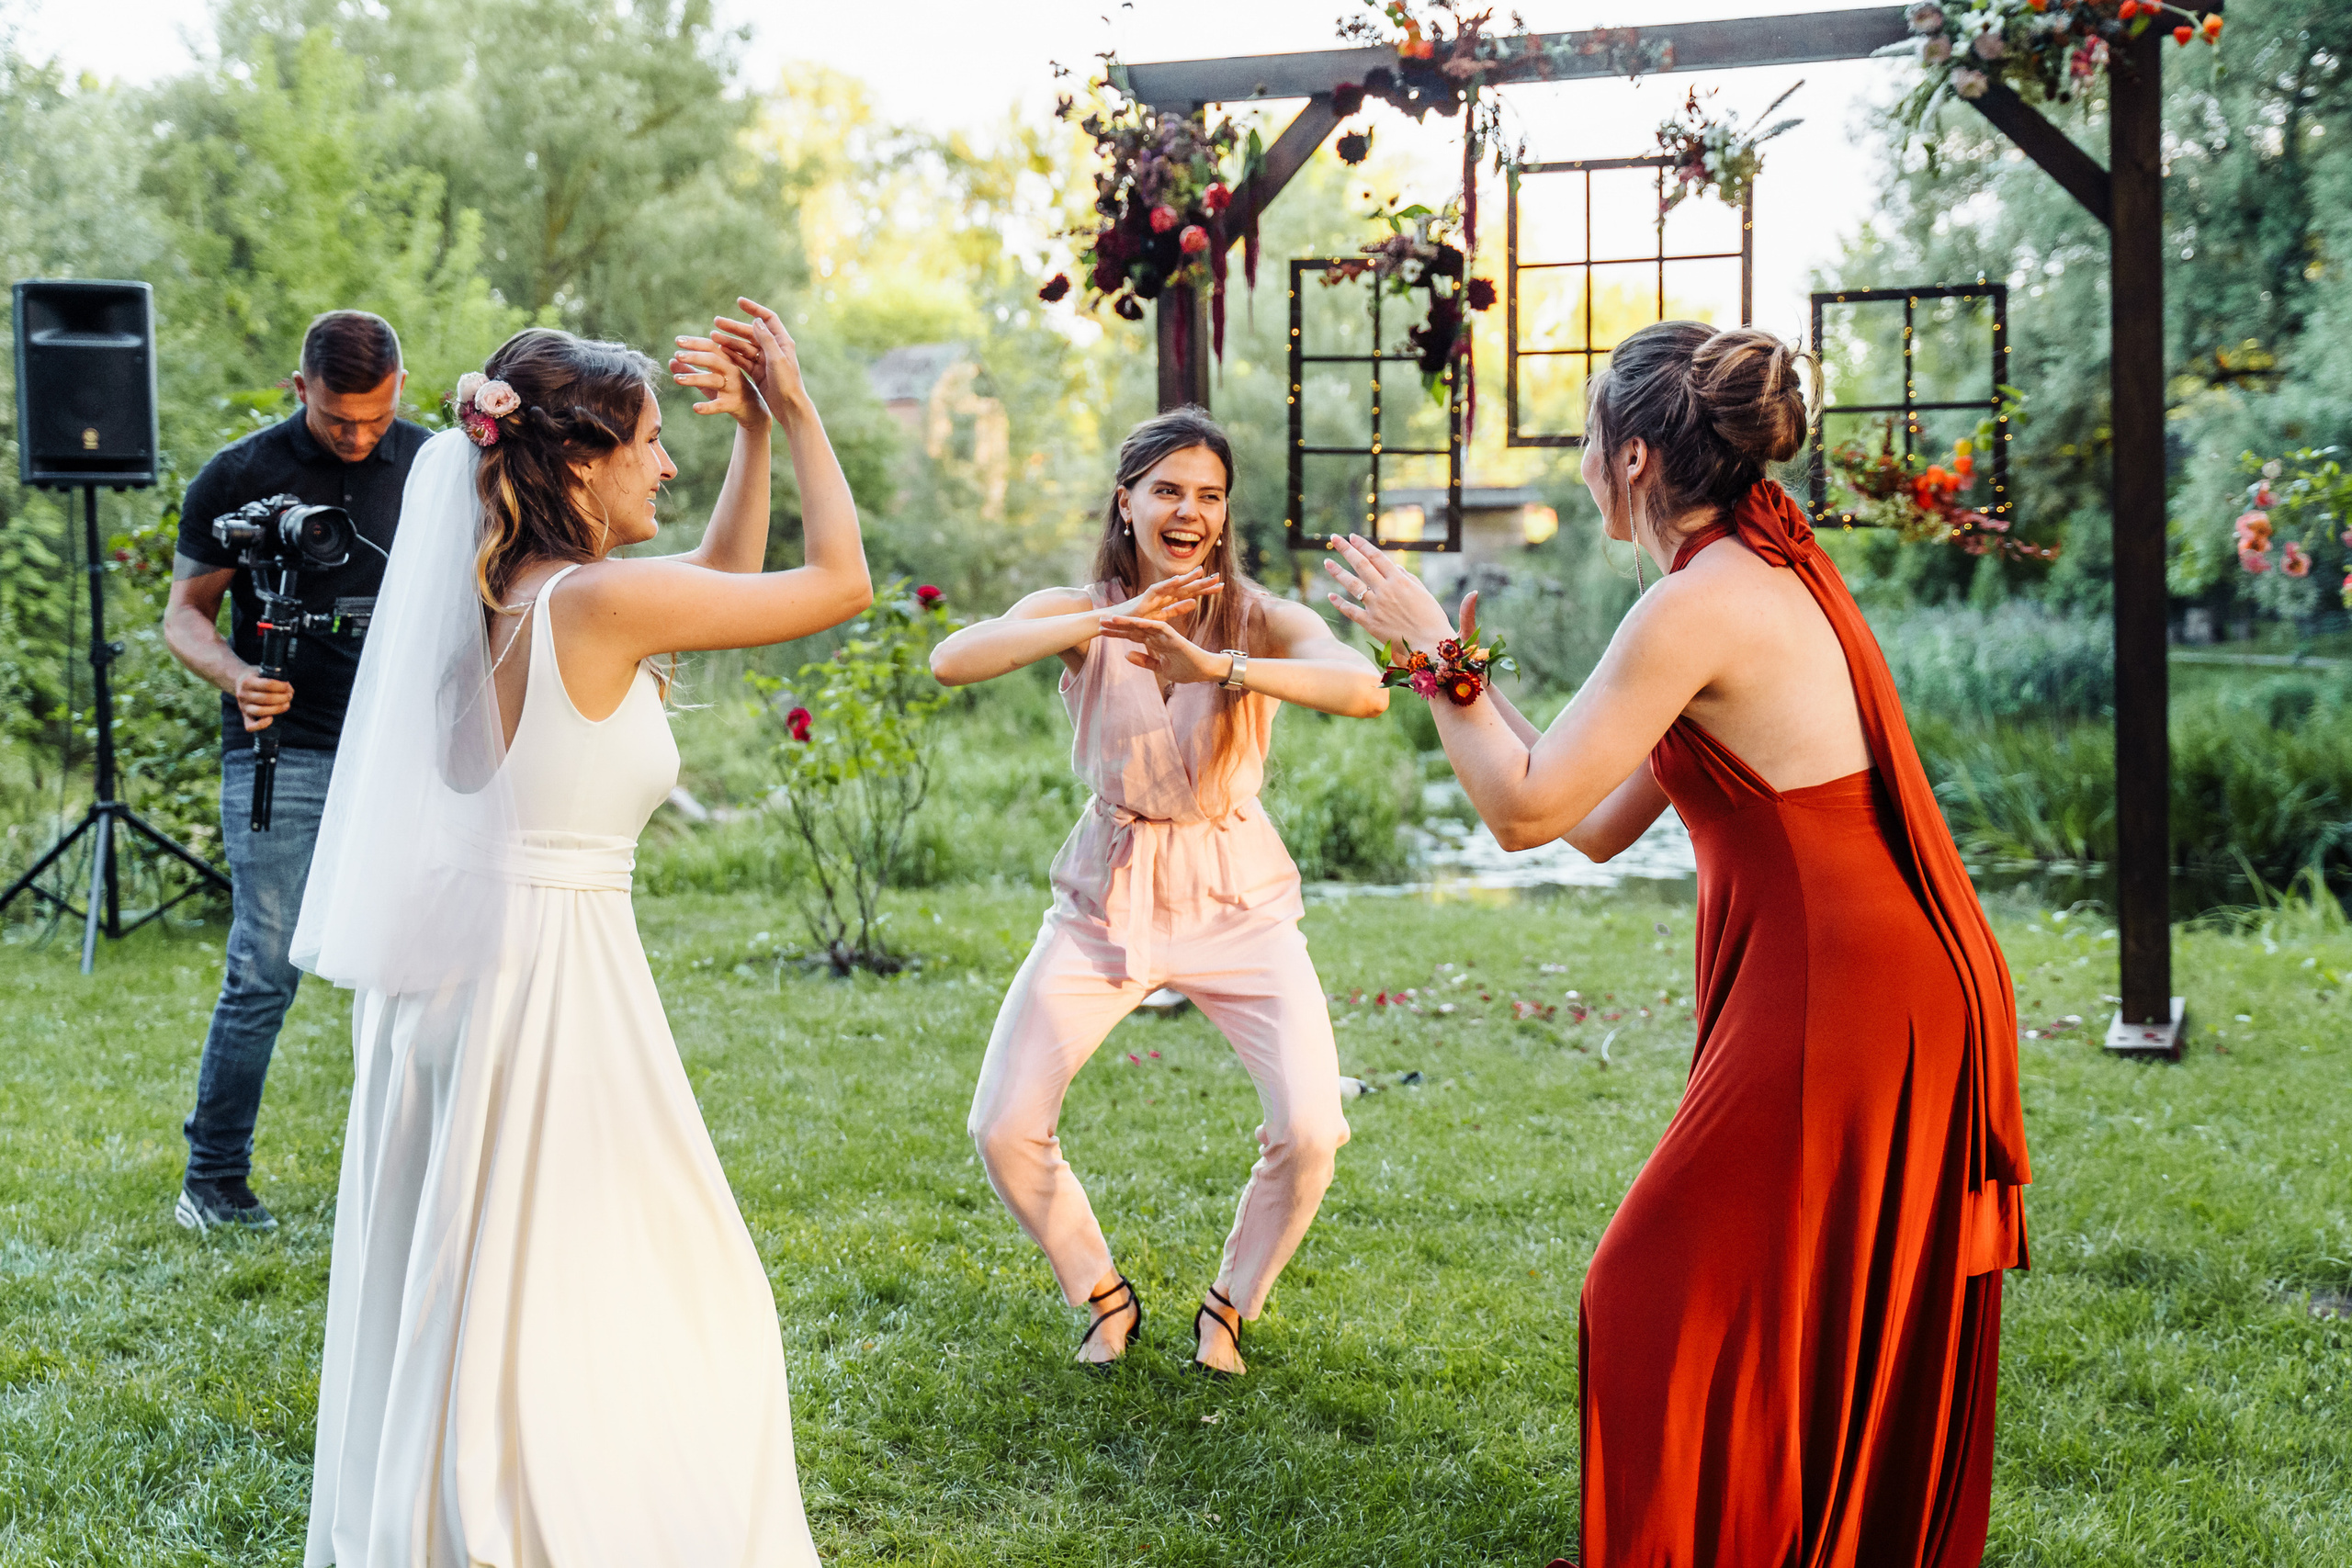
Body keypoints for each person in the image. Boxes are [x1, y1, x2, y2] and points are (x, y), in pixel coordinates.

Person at [1324, 322, 2031, 1566]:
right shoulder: (1750, 576)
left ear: (1635, 455)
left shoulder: (1697, 606)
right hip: (1883, 977)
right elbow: (1590, 818)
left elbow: (1523, 809)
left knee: (1647, 1289)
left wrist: (1436, 651)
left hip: (1841, 991)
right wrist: (1460, 672)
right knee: (1776, 1300)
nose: (1585, 466)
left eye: (1593, 443)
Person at [291, 303, 867, 1564]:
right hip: (548, 984)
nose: (669, 464)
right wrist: (805, 403)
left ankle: (455, 1513)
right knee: (647, 1284)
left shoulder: (504, 591)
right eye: (653, 443)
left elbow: (710, 580)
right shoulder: (598, 607)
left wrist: (753, 438)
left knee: (497, 1281)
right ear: (578, 461)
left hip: (458, 985)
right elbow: (840, 583)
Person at [931, 407, 1386, 1377]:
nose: (1190, 512)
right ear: (1127, 500)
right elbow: (951, 659)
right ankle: (1102, 1294)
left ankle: (1229, 1304)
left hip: (1237, 900)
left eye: (1210, 495)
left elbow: (1364, 687)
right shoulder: (1080, 610)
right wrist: (1108, 621)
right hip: (1107, 896)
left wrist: (1217, 665)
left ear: (1225, 514)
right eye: (1169, 490)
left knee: (1310, 1128)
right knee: (1003, 1124)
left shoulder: (1255, 614)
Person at [164, 310, 429, 1232]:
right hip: (286, 752)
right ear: (298, 389)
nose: (358, 439)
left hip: (410, 757)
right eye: (334, 420)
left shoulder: (436, 466)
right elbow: (184, 616)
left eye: (375, 417)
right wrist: (239, 678)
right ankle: (214, 1181)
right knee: (265, 966)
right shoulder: (239, 476)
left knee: (420, 967)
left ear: (403, 385)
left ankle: (412, 1182)